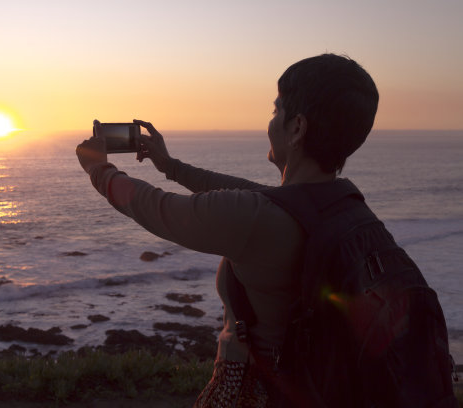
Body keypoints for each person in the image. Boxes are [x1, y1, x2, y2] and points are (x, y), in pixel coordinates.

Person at [75, 54, 407, 406]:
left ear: (297, 128)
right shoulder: (344, 206)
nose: (270, 122)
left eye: (276, 111)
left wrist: (99, 170)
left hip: (258, 392)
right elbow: (248, 193)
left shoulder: (259, 218)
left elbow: (159, 209)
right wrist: (170, 166)